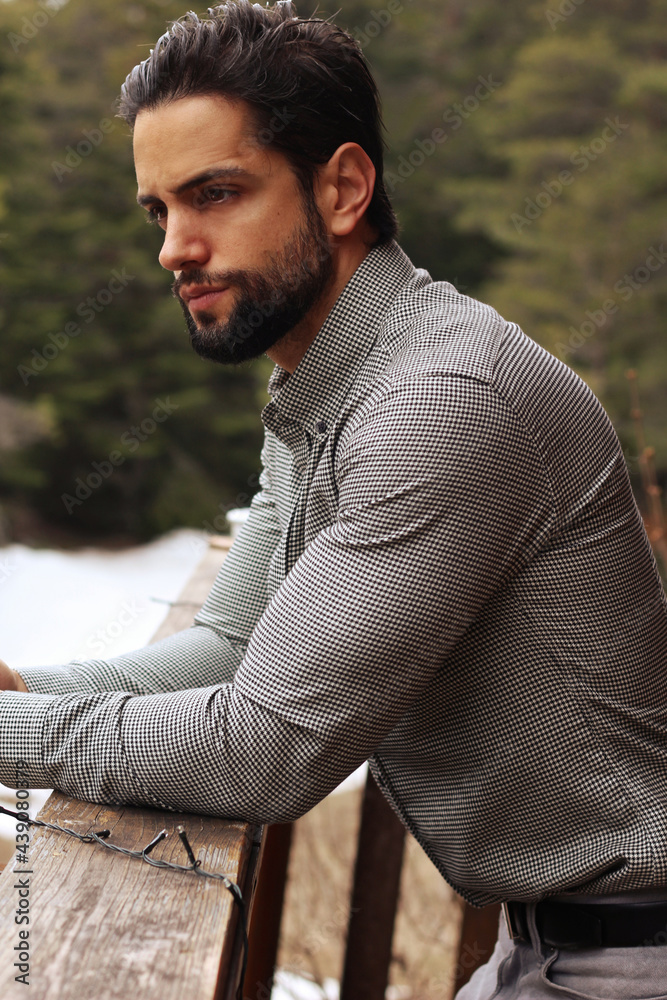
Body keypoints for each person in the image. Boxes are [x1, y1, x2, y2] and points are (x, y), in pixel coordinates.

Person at [2, 2, 667, 996]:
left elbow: (264, 751)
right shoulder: (327, 389)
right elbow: (233, 652)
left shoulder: (441, 404)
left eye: (214, 194)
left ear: (344, 187)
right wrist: (26, 695)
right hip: (546, 941)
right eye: (159, 210)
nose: (173, 248)